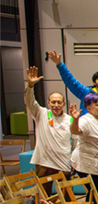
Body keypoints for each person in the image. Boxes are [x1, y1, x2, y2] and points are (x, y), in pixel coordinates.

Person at [24, 66, 73, 195]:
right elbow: (29, 101)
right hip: (44, 162)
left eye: (59, 102)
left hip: (64, 162)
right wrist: (30, 86)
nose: (56, 105)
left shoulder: (70, 119)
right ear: (48, 103)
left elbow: (76, 141)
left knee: (67, 196)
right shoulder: (41, 114)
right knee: (43, 195)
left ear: (63, 104)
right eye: (53, 102)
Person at [69, 92, 98, 202]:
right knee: (95, 192)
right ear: (89, 108)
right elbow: (76, 131)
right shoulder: (86, 120)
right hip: (88, 164)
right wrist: (75, 120)